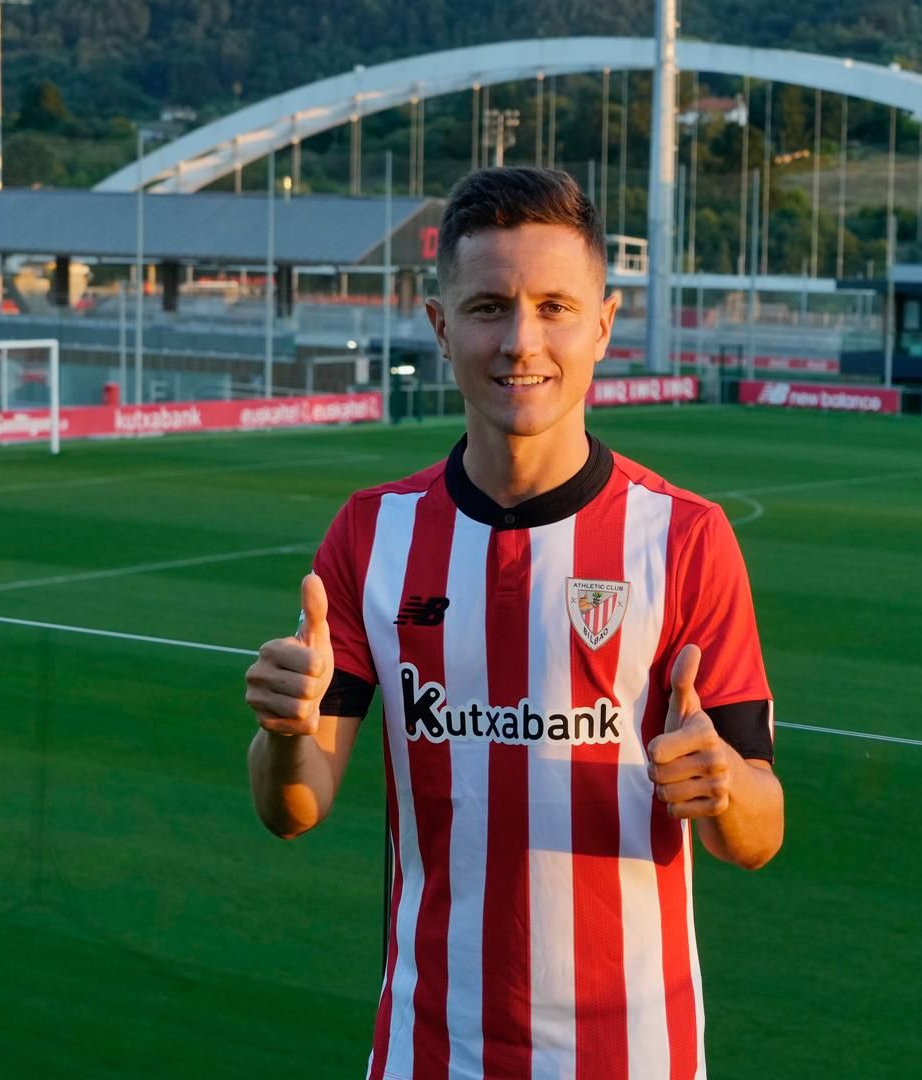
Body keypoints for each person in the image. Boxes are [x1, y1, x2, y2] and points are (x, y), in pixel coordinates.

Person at [244, 166, 784, 1080]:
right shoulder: (374, 533)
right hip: (428, 1051)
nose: (521, 341)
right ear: (440, 325)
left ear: (604, 324)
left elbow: (760, 833)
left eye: (554, 306)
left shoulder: (685, 537)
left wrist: (724, 785)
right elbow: (292, 809)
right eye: (489, 306)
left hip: (633, 1056)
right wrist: (288, 736)